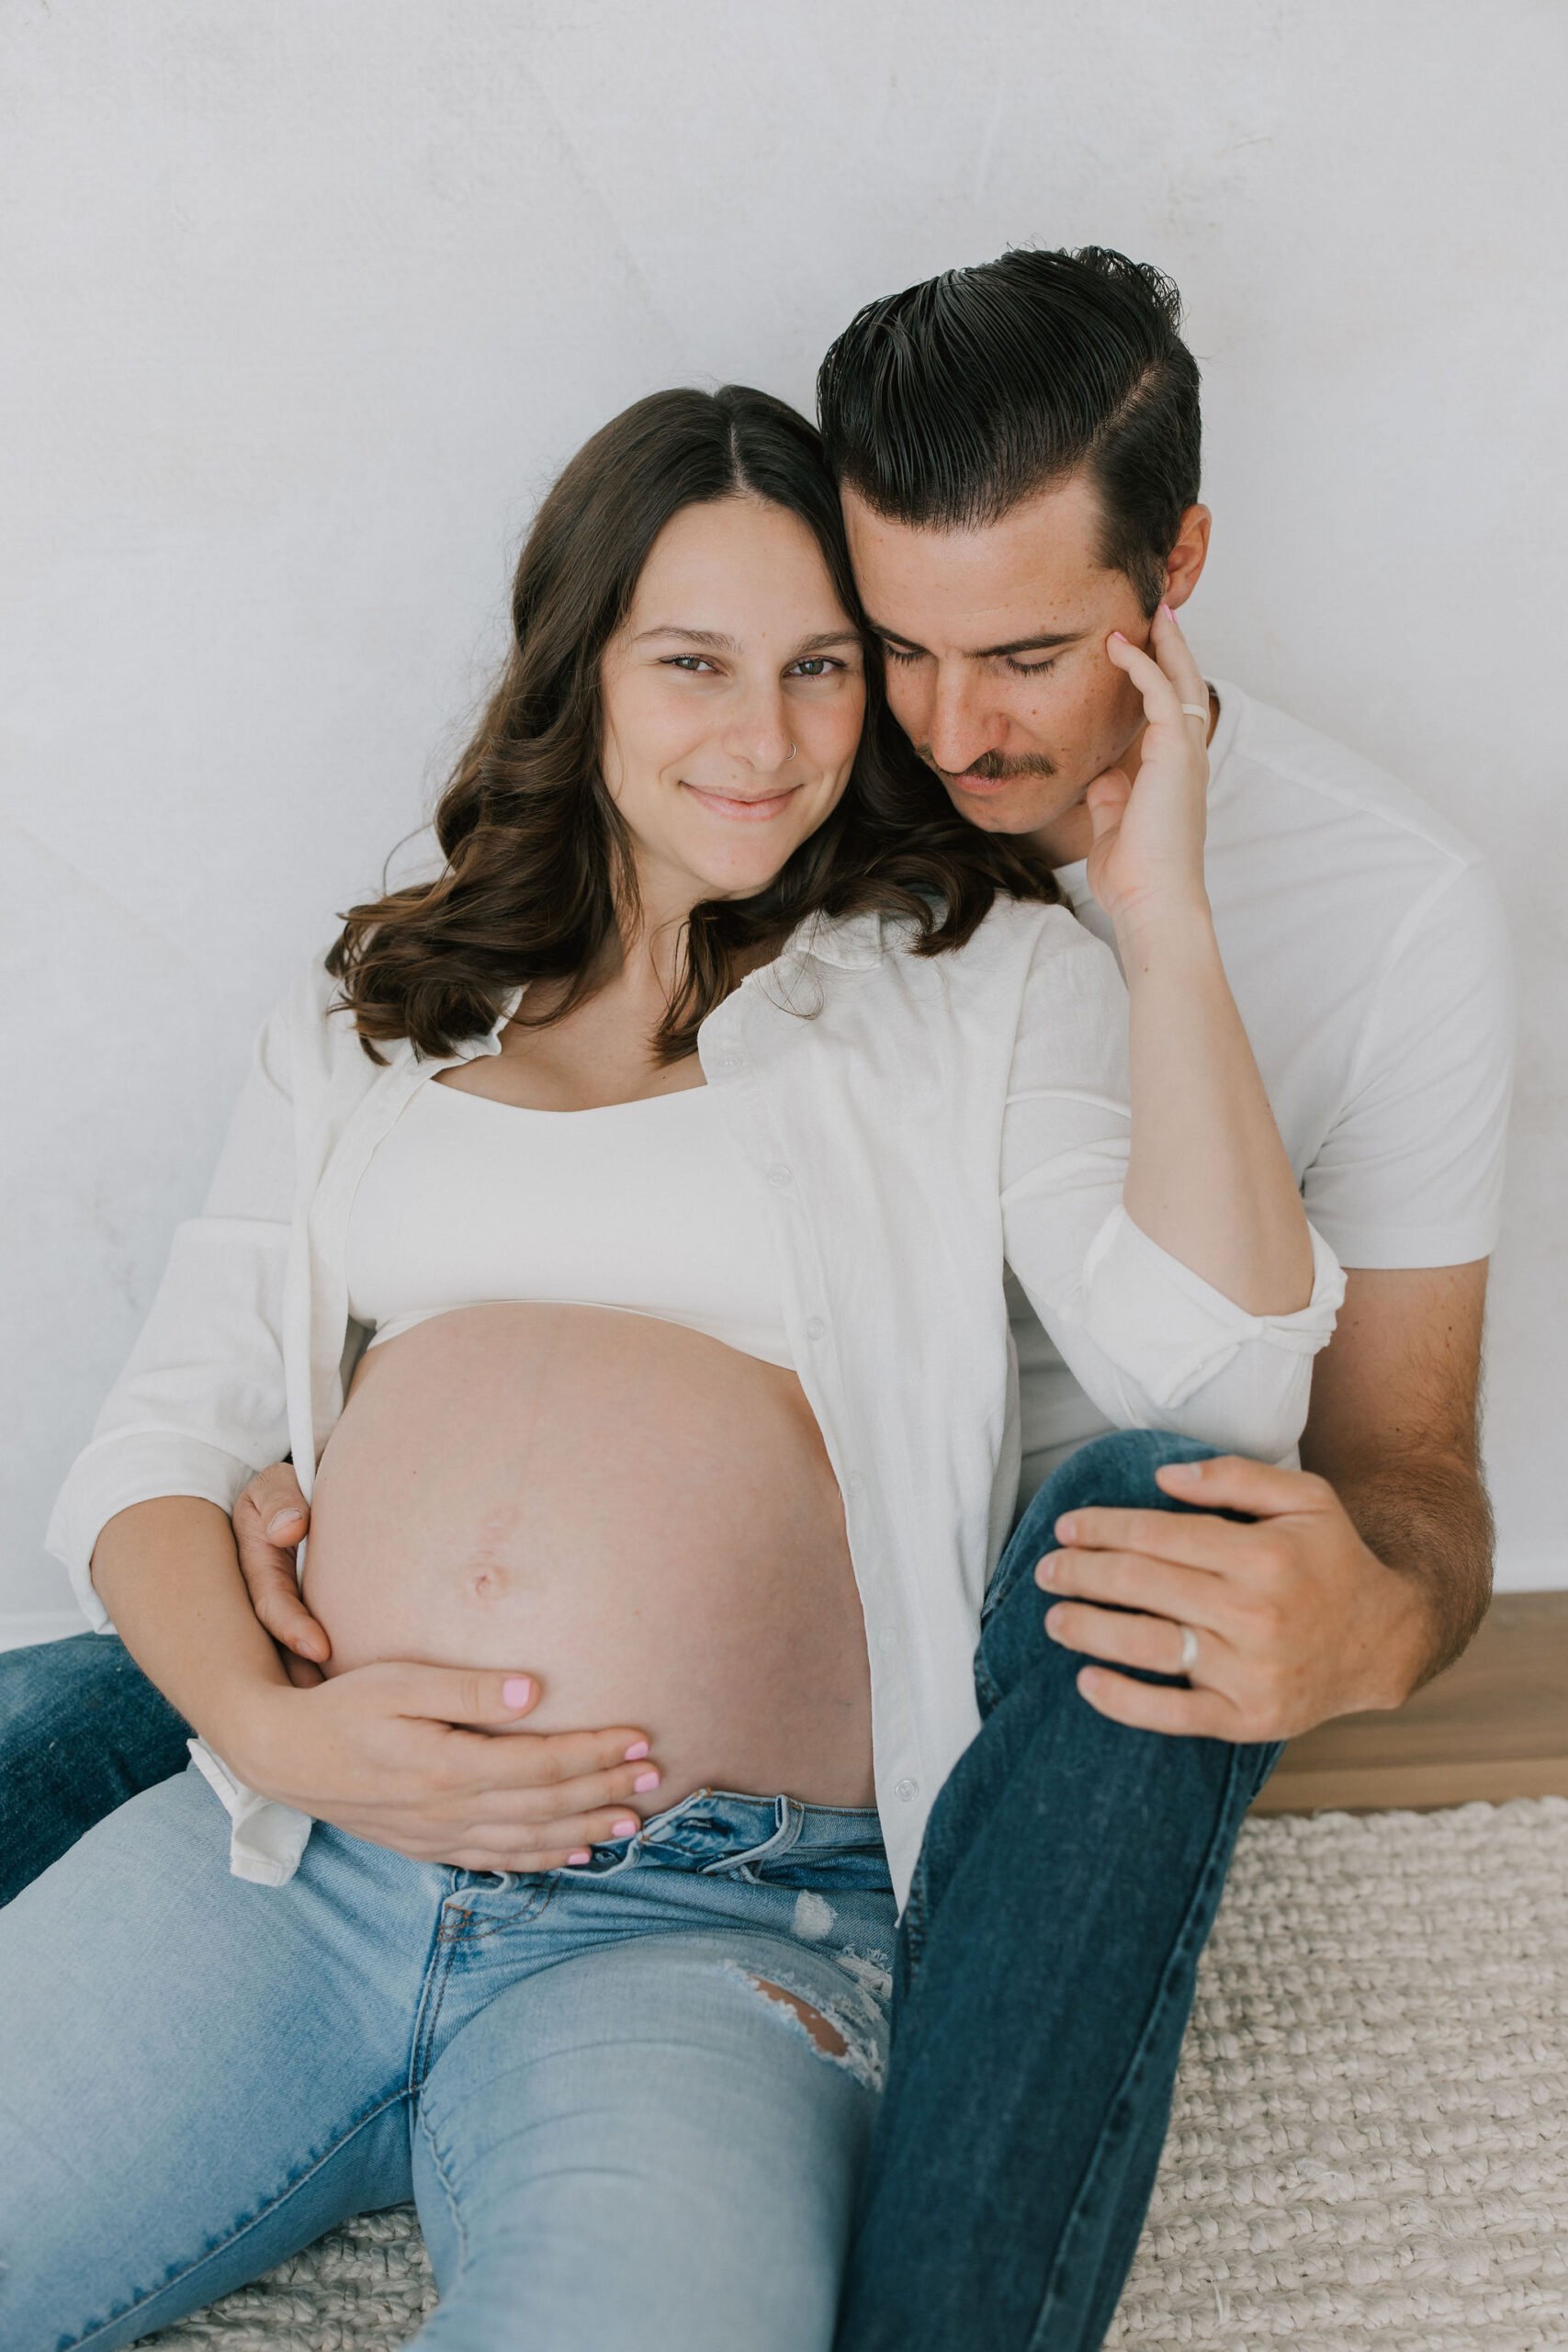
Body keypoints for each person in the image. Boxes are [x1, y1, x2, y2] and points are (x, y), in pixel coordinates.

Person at [0, 383, 1337, 2350]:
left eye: (816, 667)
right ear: (583, 667)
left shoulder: (971, 981)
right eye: (692, 660)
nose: (765, 733)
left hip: (713, 1919)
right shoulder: (376, 1011)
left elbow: (1216, 1387)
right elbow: (155, 1442)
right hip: (290, 1850)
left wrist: (1161, 920)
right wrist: (273, 1730)